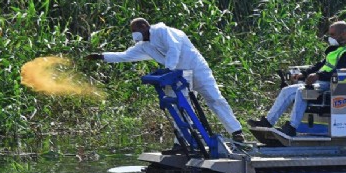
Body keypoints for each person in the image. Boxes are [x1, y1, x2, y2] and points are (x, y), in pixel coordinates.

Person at [87, 18, 246, 143]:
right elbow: (126, 55)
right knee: (180, 107)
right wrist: (102, 56)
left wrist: (169, 69)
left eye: (134, 30)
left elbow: (173, 49)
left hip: (196, 68)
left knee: (214, 99)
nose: (133, 34)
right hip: (178, 74)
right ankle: (182, 141)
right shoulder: (144, 45)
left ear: (144, 26)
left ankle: (236, 132)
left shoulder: (163, 31)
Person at [248, 20, 346, 136]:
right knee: (286, 90)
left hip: (333, 84)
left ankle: (292, 127)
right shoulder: (337, 48)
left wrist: (317, 76)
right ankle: (268, 122)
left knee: (302, 92)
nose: (330, 38)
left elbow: (339, 72)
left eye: (333, 35)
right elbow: (321, 65)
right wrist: (304, 74)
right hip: (323, 80)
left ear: (344, 34)